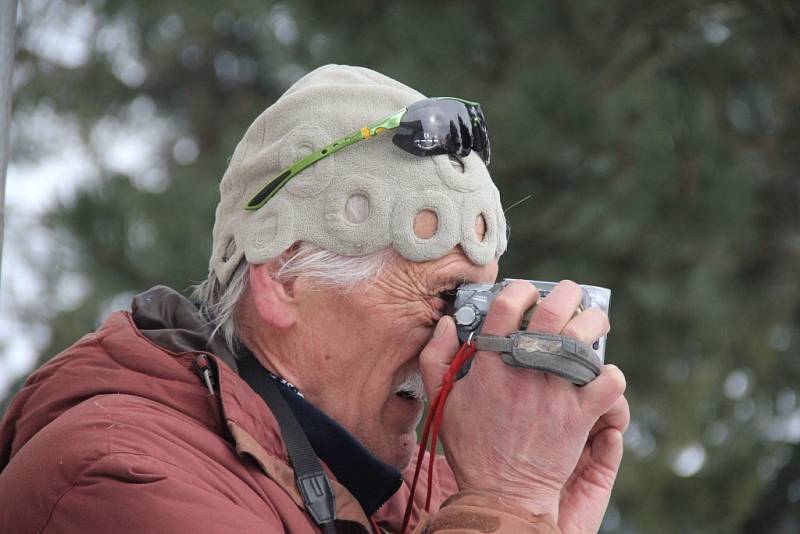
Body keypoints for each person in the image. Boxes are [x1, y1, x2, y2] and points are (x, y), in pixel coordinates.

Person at [0, 65, 628, 533]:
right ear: (285, 279)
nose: (461, 351)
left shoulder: (416, 497)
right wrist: (506, 504)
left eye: (478, 309)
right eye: (447, 300)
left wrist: (536, 514)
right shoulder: (118, 477)